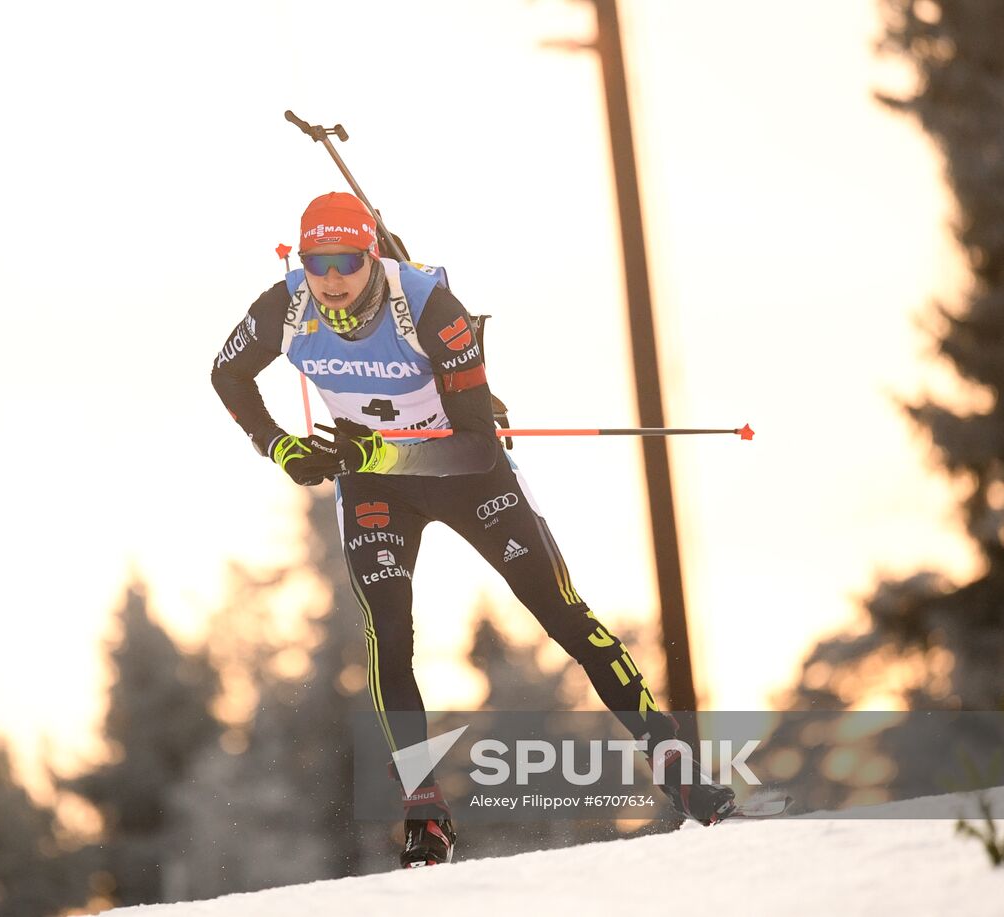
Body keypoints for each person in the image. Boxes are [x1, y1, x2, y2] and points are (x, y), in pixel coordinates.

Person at [210, 191, 735, 868]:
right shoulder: (283, 308)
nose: (332, 278)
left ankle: (675, 764)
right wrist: (278, 445)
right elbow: (227, 372)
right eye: (318, 262)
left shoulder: (430, 308)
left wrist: (370, 451)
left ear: (373, 256)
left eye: (347, 261)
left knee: (560, 611)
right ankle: (425, 812)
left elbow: (477, 448)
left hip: (462, 469)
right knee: (389, 633)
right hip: (374, 484)